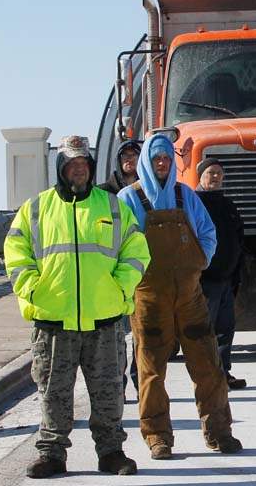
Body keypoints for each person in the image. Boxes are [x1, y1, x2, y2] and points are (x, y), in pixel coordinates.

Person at [4, 135, 150, 478]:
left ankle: (111, 453)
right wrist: (31, 288)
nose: (79, 170)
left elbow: (136, 250)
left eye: (84, 164)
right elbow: (15, 250)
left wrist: (119, 286)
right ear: (61, 169)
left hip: (104, 320)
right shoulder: (36, 208)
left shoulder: (112, 206)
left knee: (109, 393)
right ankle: (52, 454)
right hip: (53, 320)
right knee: (53, 392)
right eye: (72, 165)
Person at [118, 134, 242, 459]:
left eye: (167, 158)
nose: (162, 163)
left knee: (208, 365)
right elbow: (117, 244)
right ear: (147, 160)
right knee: (152, 371)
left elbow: (207, 233)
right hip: (149, 299)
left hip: (190, 297)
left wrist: (200, 261)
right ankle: (157, 436)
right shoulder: (129, 199)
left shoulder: (185, 195)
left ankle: (220, 432)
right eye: (156, 158)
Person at [195, 158, 247, 391]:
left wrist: (237, 273)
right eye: (210, 173)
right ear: (200, 176)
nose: (215, 177)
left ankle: (223, 373)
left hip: (227, 279)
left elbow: (238, 239)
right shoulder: (193, 204)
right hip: (205, 280)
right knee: (206, 332)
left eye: (218, 173)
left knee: (225, 329)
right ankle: (207, 378)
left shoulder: (228, 205)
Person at [99, 140, 142, 399]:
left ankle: (141, 384)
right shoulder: (103, 193)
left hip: (140, 270)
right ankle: (118, 386)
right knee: (115, 337)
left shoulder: (150, 189)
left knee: (142, 335)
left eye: (134, 155)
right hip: (112, 273)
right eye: (125, 155)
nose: (129, 160)